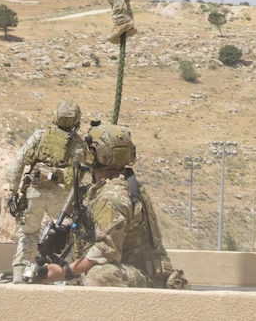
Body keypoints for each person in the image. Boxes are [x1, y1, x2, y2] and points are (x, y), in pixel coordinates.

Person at [33, 123, 187, 289]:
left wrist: (63, 273)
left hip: (147, 278)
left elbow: (105, 251)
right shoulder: (115, 185)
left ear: (95, 155)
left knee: (98, 276)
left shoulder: (112, 197)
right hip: (135, 271)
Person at [6, 100, 88, 284]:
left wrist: (13, 191)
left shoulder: (39, 137)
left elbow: (17, 164)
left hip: (34, 193)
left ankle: (20, 273)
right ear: (76, 120)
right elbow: (82, 175)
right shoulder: (77, 144)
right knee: (69, 234)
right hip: (61, 197)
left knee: (28, 233)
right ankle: (71, 278)